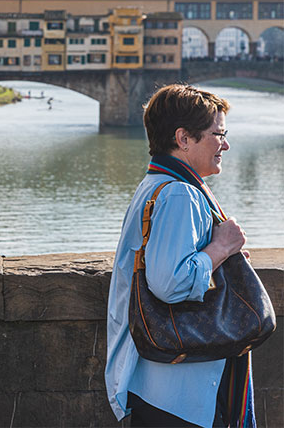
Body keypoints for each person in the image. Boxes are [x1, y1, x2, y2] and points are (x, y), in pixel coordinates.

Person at [105, 84, 251, 428]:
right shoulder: (179, 194)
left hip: (162, 383)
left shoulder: (156, 183)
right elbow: (170, 283)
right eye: (218, 134)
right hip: (178, 393)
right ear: (183, 138)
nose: (225, 145)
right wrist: (222, 246)